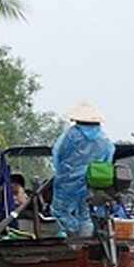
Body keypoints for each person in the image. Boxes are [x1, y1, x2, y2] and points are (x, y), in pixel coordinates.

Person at [50, 101, 115, 238]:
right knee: (85, 212)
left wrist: (63, 171)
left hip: (68, 179)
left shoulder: (71, 135)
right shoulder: (104, 138)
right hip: (93, 181)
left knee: (60, 211)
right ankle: (85, 240)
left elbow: (58, 154)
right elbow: (107, 160)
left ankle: (71, 237)